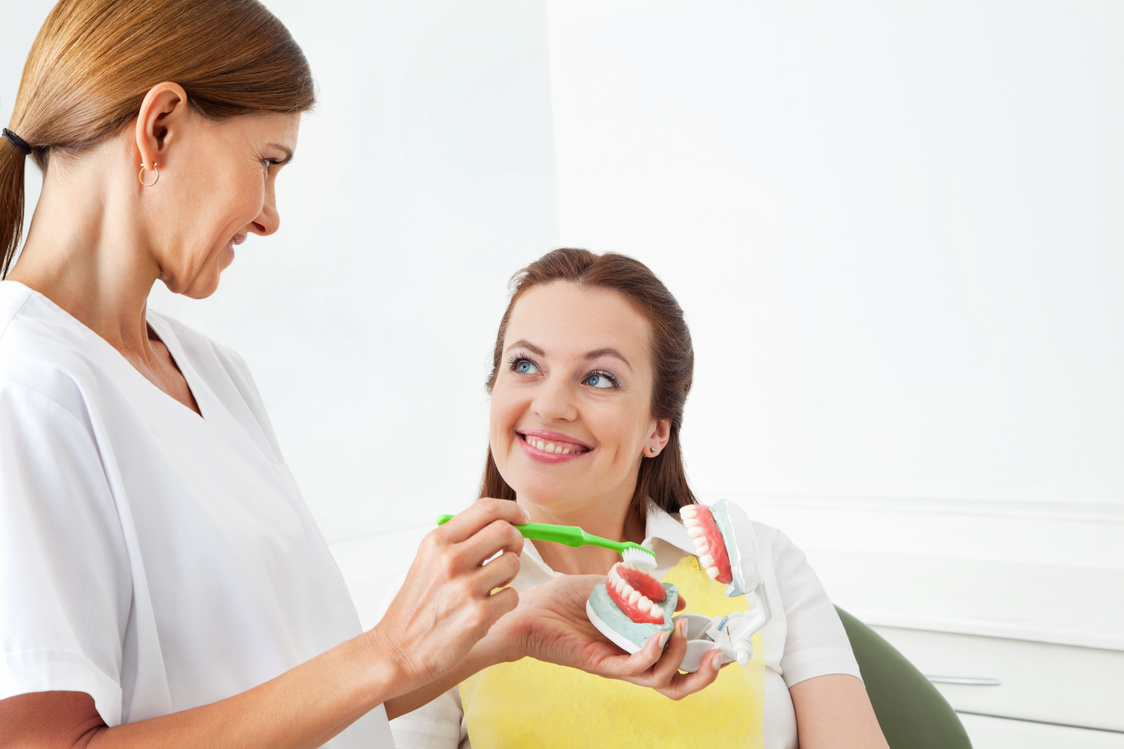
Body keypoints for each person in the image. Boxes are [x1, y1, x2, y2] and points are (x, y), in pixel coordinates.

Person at [0, 3, 719, 746]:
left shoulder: (212, 374)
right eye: (268, 162)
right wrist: (388, 651)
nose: (270, 216)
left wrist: (517, 627)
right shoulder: (26, 387)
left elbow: (307, 693)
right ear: (160, 128)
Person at [390, 248, 891, 749]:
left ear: (657, 430)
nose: (550, 405)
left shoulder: (767, 561)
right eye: (525, 364)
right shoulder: (443, 591)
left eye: (599, 378)